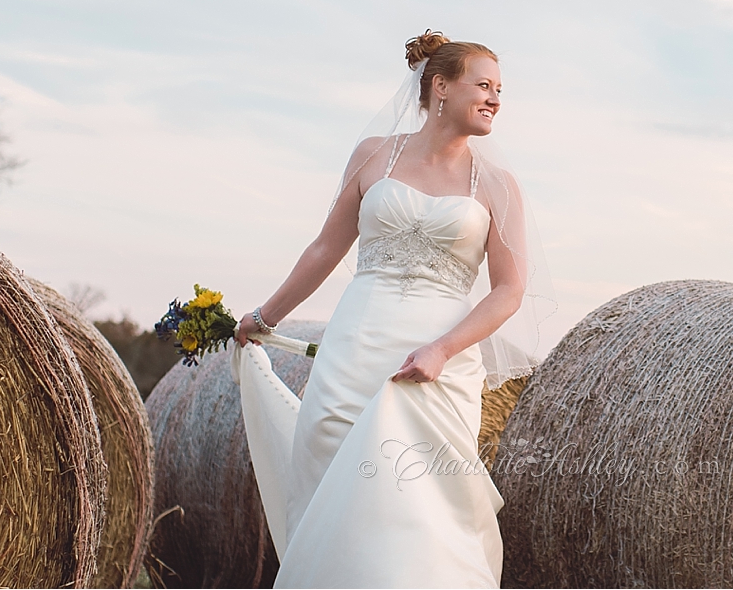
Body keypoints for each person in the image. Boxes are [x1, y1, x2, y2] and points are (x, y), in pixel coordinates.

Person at [229, 31, 553, 589]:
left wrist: (442, 349)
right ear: (441, 86)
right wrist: (264, 318)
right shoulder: (375, 154)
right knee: (330, 483)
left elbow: (508, 291)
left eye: (501, 90)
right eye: (484, 85)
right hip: (354, 349)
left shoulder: (498, 185)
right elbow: (326, 248)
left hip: (434, 364)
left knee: (418, 506)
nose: (496, 98)